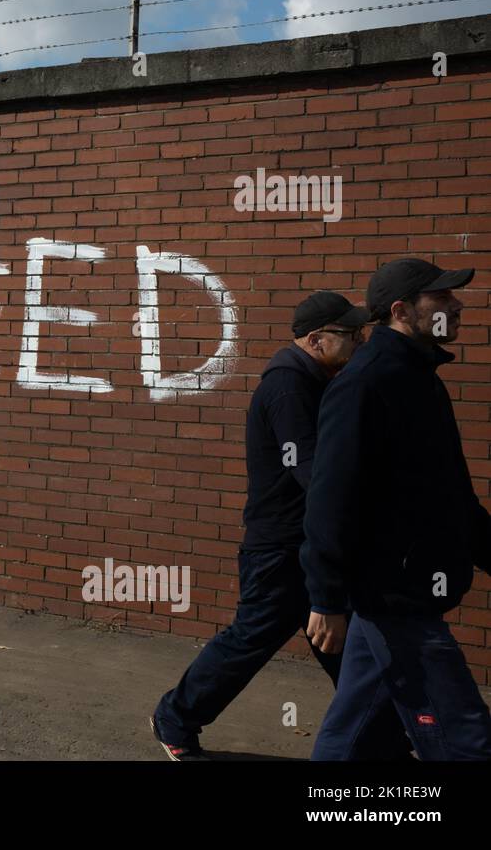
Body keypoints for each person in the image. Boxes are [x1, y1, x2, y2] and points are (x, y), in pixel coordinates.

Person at [152, 292, 395, 760]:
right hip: (282, 547)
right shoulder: (289, 389)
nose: (361, 342)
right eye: (351, 335)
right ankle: (175, 717)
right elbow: (312, 474)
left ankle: (382, 738)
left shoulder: (317, 381)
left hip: (311, 542)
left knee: (345, 645)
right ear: (316, 340)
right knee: (253, 637)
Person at [303, 258, 491, 760]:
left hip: (402, 587)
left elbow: (449, 490)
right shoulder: (365, 384)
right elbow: (330, 497)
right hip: (396, 593)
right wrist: (327, 597)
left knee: (356, 732)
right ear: (402, 310)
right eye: (442, 299)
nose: (456, 306)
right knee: (466, 740)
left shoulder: (421, 377)